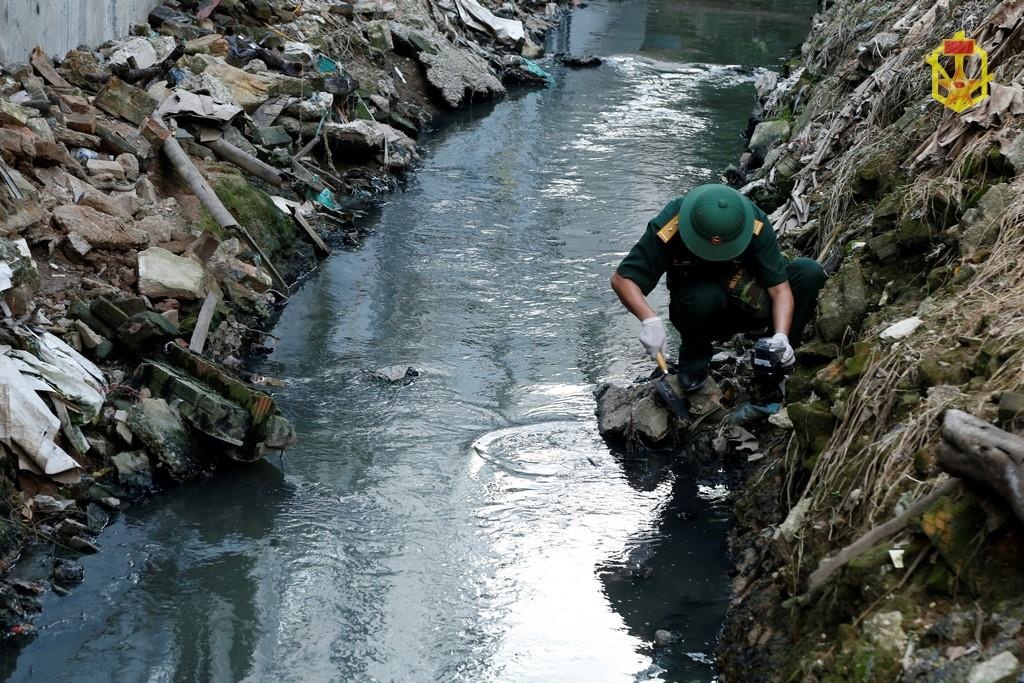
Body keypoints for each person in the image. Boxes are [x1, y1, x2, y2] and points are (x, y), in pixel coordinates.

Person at [611, 183, 826, 391]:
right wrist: (650, 320)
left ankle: (777, 358)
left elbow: (780, 290)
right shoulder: (672, 222)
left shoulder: (753, 221)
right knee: (702, 298)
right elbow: (623, 279)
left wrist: (781, 337)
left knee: (808, 272)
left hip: (751, 298)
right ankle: (693, 365)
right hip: (700, 309)